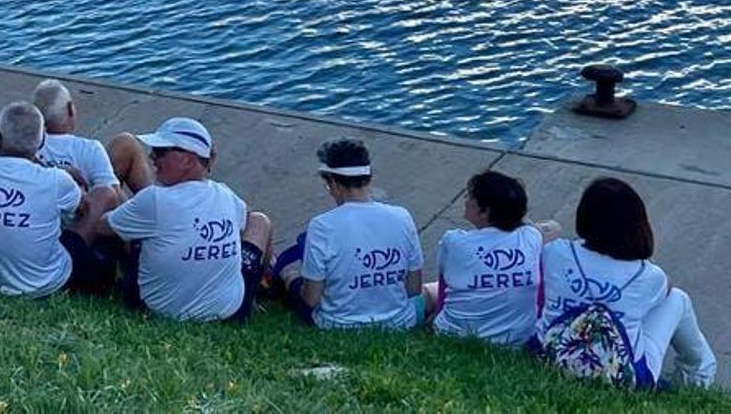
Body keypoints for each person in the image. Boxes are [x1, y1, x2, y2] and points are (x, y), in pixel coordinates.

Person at [534, 178, 717, 388]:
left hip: (551, 355)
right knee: (678, 299)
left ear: (584, 215)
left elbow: (546, 234)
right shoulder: (648, 276)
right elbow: (666, 288)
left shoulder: (556, 252)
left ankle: (696, 377)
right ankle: (697, 377)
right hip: (619, 376)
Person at [93, 118, 272, 323]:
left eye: (160, 152)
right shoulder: (227, 195)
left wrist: (105, 197)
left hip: (156, 309)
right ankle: (261, 288)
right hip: (231, 311)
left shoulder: (154, 200)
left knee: (129, 229)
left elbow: (102, 226)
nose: (152, 157)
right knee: (260, 221)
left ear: (188, 159)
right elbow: (246, 218)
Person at [0, 102, 117, 298]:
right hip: (47, 284)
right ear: (42, 140)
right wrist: (68, 178)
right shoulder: (55, 180)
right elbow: (83, 208)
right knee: (105, 194)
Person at [272, 138, 423, 330]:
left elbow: (311, 300)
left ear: (334, 183)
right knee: (430, 292)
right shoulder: (402, 217)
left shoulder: (322, 226)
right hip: (399, 322)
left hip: (338, 325)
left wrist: (291, 280)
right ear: (369, 178)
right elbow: (414, 289)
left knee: (291, 276)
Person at [426, 171, 559, 346]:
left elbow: (445, 290)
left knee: (430, 290)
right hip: (517, 340)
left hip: (453, 334)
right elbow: (553, 228)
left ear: (485, 212)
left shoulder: (454, 241)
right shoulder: (530, 237)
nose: (465, 199)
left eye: (470, 196)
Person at [31, 79, 119, 195]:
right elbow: (111, 194)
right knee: (126, 143)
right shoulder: (90, 149)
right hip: (82, 207)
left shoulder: (26, 148)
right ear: (70, 109)